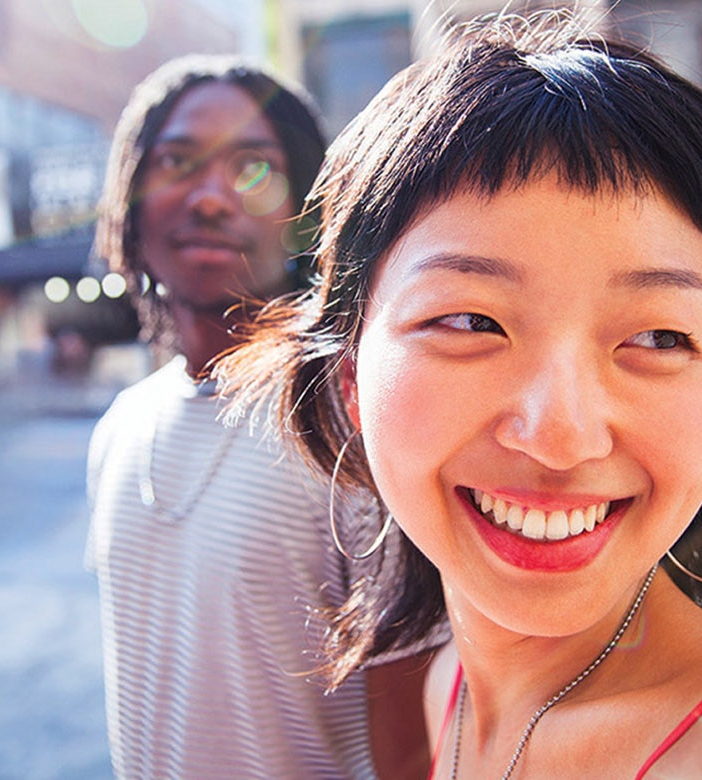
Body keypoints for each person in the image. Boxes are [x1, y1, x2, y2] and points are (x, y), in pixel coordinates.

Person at [221, 14, 702, 779]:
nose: (561, 434)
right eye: (470, 321)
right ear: (351, 380)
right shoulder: (447, 691)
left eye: (660, 337)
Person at [85, 55, 438, 779]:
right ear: (131, 195)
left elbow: (417, 750)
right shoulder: (121, 426)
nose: (211, 198)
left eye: (253, 168)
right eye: (178, 160)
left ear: (306, 214)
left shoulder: (349, 435)